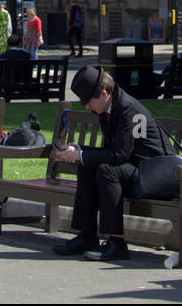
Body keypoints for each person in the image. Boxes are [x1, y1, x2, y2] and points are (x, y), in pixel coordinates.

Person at [51, 66, 166, 262]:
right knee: (87, 165)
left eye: (88, 102)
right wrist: (79, 151)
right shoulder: (108, 108)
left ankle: (117, 243)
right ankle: (87, 236)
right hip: (133, 167)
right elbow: (113, 153)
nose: (87, 107)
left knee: (106, 171)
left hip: (151, 173)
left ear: (103, 93)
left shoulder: (129, 110)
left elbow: (120, 154)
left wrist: (81, 154)